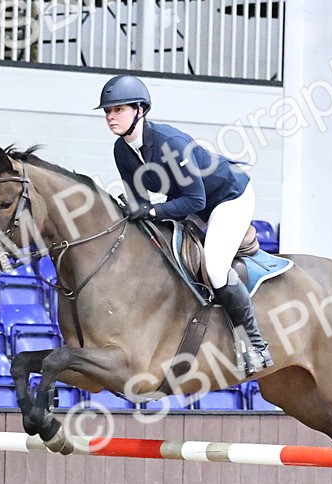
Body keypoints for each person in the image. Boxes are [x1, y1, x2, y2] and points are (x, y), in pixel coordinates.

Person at [95, 74, 273, 375]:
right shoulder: (121, 150)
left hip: (227, 197)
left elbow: (196, 202)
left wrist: (152, 212)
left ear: (140, 110)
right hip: (187, 199)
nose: (111, 117)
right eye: (108, 112)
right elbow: (140, 202)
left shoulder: (171, 143)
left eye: (119, 110)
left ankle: (255, 345)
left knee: (215, 267)